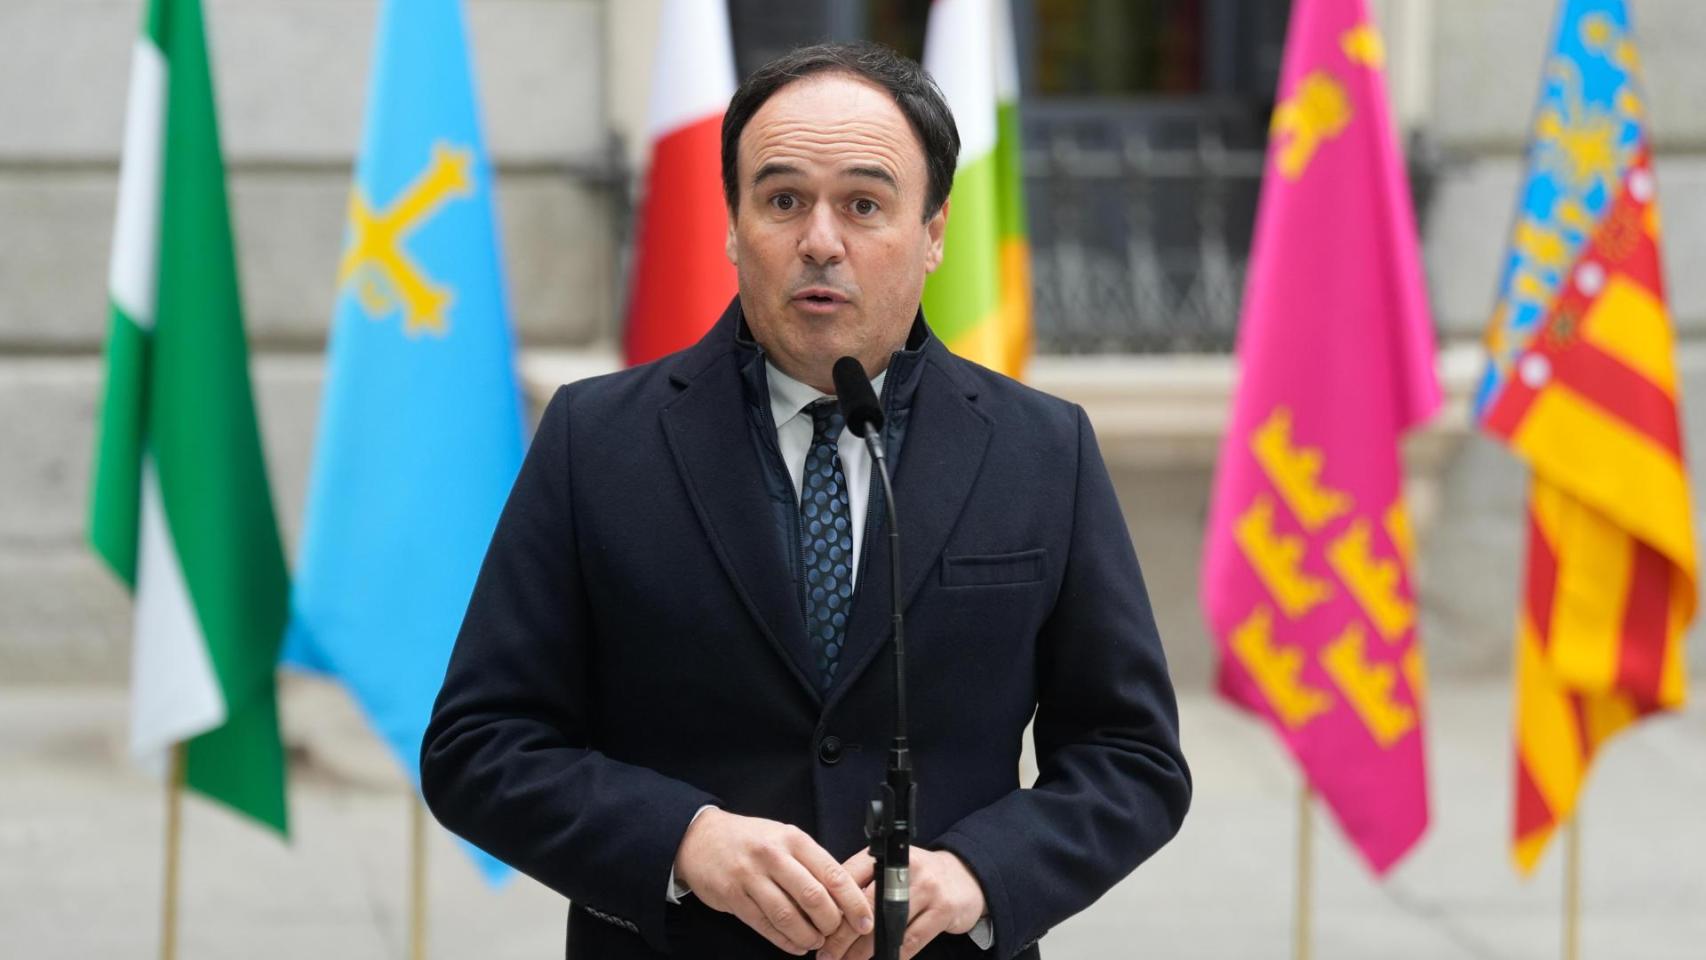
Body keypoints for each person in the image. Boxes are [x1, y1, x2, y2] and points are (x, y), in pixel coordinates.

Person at [421, 42, 1190, 960]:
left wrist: (979, 874)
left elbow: (1131, 758)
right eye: (783, 201)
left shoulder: (1042, 449)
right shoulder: (598, 440)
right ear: (733, 226)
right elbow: (479, 744)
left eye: (864, 204)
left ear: (936, 231)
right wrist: (683, 840)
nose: (821, 240)